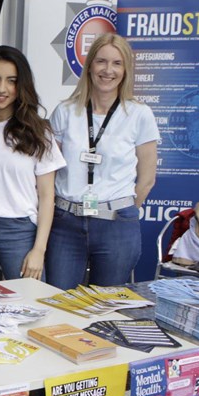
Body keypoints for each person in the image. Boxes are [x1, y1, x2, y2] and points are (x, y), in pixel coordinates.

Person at [45, 32, 159, 289]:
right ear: (90, 66)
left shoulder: (139, 114)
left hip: (116, 225)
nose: (108, 70)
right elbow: (49, 171)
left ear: (126, 70)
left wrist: (120, 209)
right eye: (101, 62)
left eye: (117, 63)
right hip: (66, 224)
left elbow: (147, 178)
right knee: (58, 302)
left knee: (104, 306)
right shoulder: (65, 111)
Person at [0, 46, 65, 281]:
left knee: (31, 306)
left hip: (19, 232)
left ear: (22, 86)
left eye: (11, 81)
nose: (1, 89)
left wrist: (39, 250)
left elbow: (47, 196)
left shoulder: (38, 132)